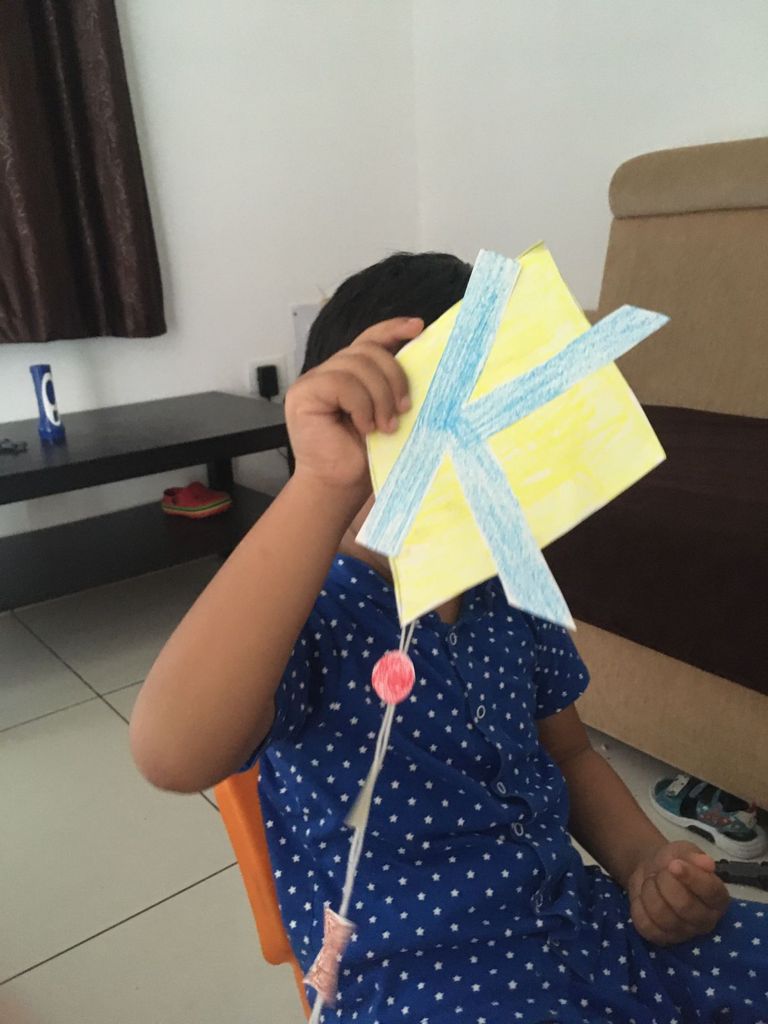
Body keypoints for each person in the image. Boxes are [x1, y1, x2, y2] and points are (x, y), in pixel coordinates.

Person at [130, 253, 767, 1024]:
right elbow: (171, 752)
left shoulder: (507, 586)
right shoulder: (309, 614)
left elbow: (568, 753)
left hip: (582, 924)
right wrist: (321, 486)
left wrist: (643, 864)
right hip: (421, 978)